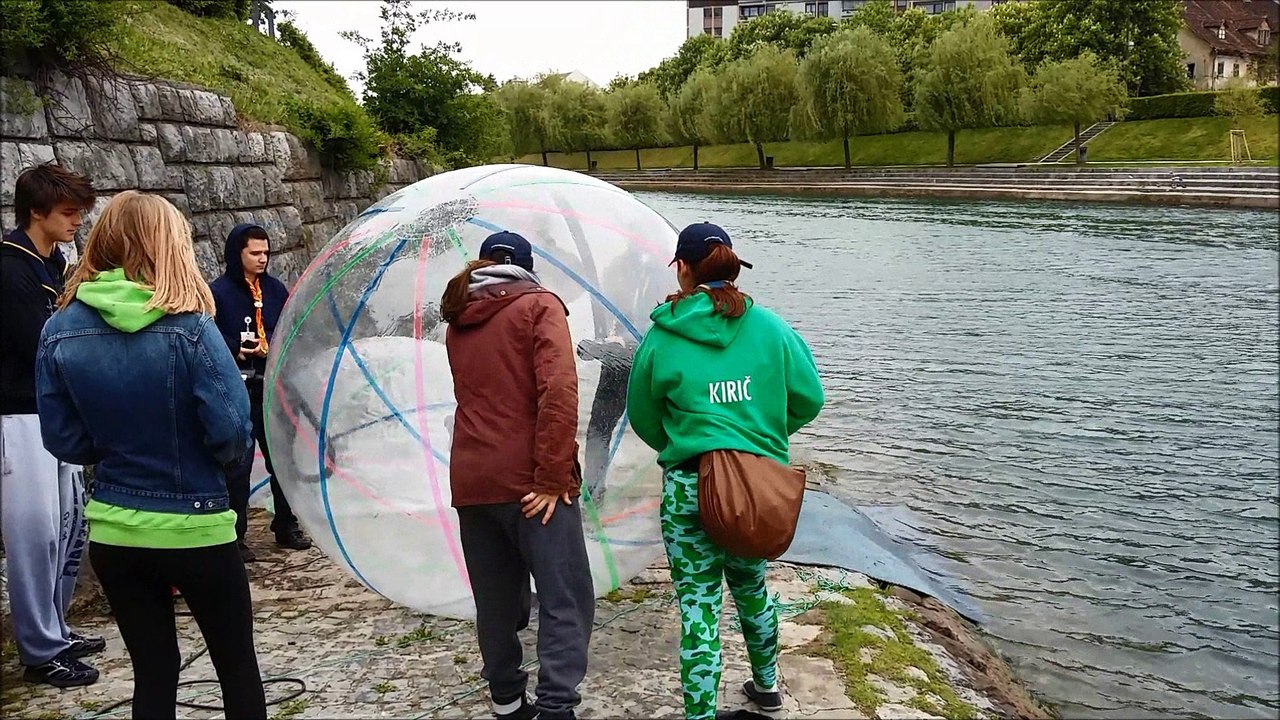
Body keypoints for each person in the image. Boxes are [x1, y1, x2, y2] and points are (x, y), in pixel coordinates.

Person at [35, 191, 267, 719]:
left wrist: (114, 449)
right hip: (197, 526)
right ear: (169, 245)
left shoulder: (60, 327)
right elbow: (233, 432)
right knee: (236, 668)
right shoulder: (191, 326)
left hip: (116, 530)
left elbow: (63, 439)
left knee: (154, 674)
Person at [625, 223, 825, 720]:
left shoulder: (662, 336)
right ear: (732, 266)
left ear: (682, 268)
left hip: (688, 487)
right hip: (753, 487)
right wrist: (762, 436)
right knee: (752, 588)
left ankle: (700, 714)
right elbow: (810, 399)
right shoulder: (771, 328)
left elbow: (643, 416)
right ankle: (767, 687)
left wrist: (683, 445)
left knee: (698, 608)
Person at [441, 231, 594, 720]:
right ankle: (556, 708)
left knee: (496, 600)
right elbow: (559, 391)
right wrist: (552, 477)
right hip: (530, 481)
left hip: (473, 479)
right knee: (565, 596)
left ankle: (506, 702)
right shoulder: (539, 306)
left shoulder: (459, 314)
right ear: (527, 268)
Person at [0, 162, 103, 687]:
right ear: (36, 212)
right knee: (34, 535)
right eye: (67, 212)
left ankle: (55, 630)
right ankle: (40, 651)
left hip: (51, 413)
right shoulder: (10, 268)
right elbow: (41, 344)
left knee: (68, 528)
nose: (77, 222)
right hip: (17, 416)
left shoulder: (53, 262)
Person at [210, 223, 310, 561]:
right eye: (254, 253)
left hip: (274, 386)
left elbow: (292, 325)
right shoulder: (218, 294)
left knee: (283, 459)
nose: (262, 258)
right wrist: (236, 348)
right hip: (239, 388)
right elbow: (208, 335)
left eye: (266, 252)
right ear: (236, 254)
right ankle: (235, 535)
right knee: (237, 465)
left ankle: (286, 523)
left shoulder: (275, 289)